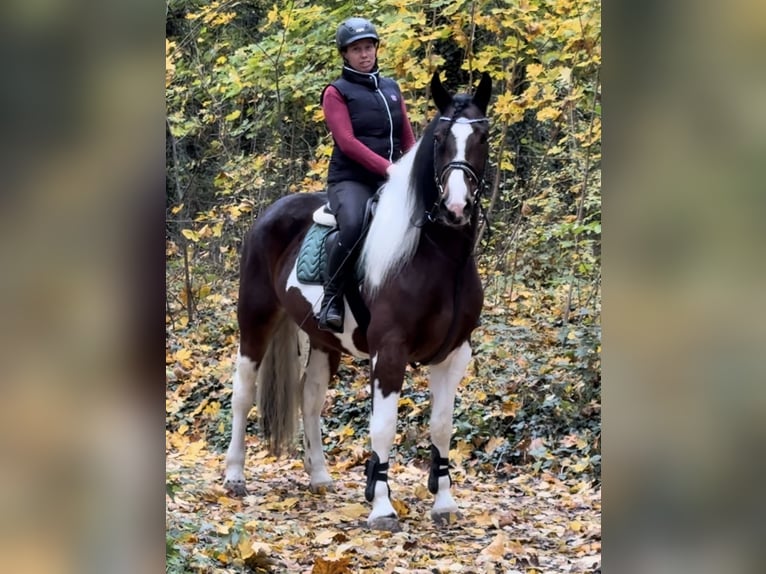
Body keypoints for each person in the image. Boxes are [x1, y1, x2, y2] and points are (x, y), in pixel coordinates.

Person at [318, 16, 416, 332]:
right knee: (355, 225)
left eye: (369, 47)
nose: (365, 54)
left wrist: (412, 165)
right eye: (357, 49)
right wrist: (389, 168)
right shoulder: (336, 92)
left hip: (392, 177)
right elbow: (347, 142)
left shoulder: (391, 87)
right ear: (344, 54)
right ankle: (331, 299)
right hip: (351, 179)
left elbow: (406, 135)